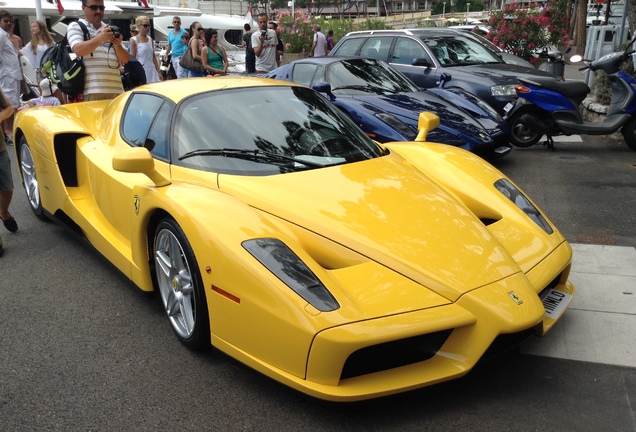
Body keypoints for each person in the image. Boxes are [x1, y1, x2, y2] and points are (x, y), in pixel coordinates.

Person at [67, 0, 129, 101]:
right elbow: (78, 50)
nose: (98, 11)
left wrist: (117, 46)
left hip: (117, 90)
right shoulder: (76, 26)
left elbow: (126, 59)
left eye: (101, 8)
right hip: (91, 90)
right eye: (94, 7)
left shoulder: (109, 29)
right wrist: (100, 38)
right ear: (83, 8)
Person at [0, 10, 21, 146]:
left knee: (12, 104)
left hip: (11, 75)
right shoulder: (1, 36)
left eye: (10, 21)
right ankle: (8, 133)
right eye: (5, 21)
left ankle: (7, 133)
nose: (8, 23)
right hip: (7, 76)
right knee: (8, 107)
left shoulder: (5, 36)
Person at [0, 87, 16, 256]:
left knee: (7, 189)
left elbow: (9, 108)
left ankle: (3, 212)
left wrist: (1, 116)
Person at [130, 16, 162, 84]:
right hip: (141, 71)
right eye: (145, 25)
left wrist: (158, 72)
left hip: (152, 70)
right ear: (139, 26)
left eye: (149, 26)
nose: (147, 28)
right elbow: (133, 59)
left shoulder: (150, 39)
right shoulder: (134, 40)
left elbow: (153, 57)